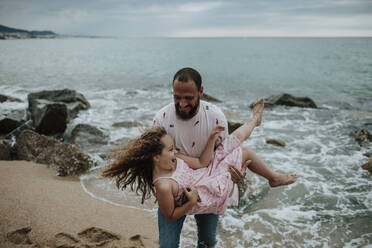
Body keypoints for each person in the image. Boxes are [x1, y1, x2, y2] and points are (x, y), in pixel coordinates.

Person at [102, 95, 297, 247]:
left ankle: (255, 122)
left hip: (208, 172)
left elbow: (201, 162)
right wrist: (192, 201)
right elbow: (170, 215)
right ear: (155, 157)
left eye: (174, 148)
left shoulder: (176, 159)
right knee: (242, 152)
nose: (175, 151)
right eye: (170, 150)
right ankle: (270, 173)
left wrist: (212, 138)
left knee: (234, 143)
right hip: (208, 190)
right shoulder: (163, 185)